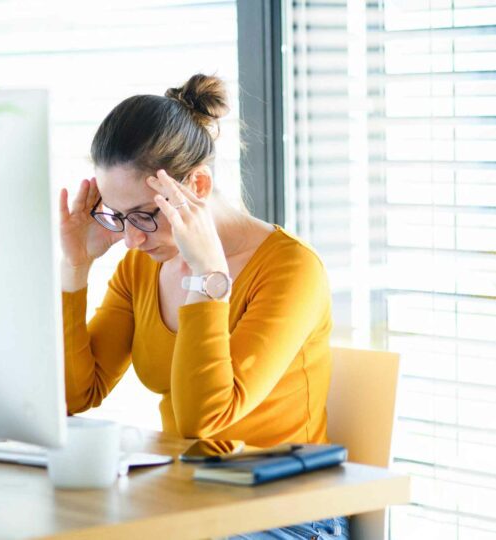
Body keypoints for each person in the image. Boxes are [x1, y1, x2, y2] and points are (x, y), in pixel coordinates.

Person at [58, 74, 348, 540]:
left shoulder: (291, 269)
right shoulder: (142, 265)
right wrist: (75, 269)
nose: (131, 239)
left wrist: (207, 275)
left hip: (286, 514)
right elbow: (75, 395)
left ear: (196, 184)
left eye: (145, 215)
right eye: (117, 215)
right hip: (186, 500)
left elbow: (204, 420)